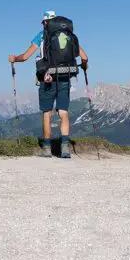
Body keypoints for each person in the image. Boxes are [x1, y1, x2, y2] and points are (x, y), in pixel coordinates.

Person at [9, 11, 89, 158]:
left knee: (47, 113)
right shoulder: (67, 35)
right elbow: (84, 57)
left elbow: (26, 57)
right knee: (63, 112)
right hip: (65, 77)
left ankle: (47, 148)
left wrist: (14, 58)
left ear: (46, 22)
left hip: (47, 78)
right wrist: (84, 66)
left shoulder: (41, 35)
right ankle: (65, 148)